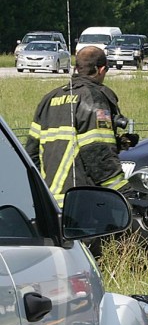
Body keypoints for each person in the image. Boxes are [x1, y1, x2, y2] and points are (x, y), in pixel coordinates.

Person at [26, 46, 133, 206]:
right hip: (83, 202)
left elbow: (31, 154)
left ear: (77, 68)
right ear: (100, 69)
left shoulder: (49, 99)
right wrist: (125, 193)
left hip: (50, 203)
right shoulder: (94, 98)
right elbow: (98, 153)